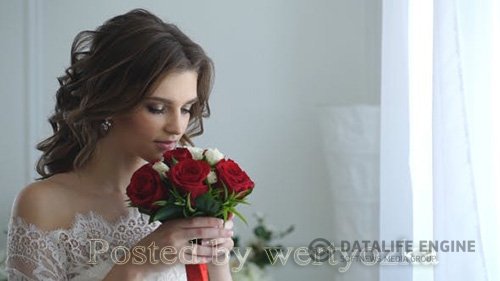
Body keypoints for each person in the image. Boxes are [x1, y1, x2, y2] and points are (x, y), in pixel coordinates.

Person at [6, 9, 234, 281]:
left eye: (186, 109)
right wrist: (136, 266)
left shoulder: (187, 195)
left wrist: (218, 261)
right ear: (112, 101)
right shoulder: (43, 203)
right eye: (157, 108)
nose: (177, 127)